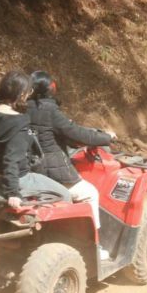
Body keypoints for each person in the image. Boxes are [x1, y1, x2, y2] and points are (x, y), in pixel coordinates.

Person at [0, 70, 72, 208]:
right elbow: (11, 160)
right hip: (16, 180)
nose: (29, 94)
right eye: (29, 91)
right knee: (65, 195)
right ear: (22, 94)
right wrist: (12, 192)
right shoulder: (19, 122)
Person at [26, 70, 115, 229]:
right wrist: (107, 137)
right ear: (50, 89)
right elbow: (77, 133)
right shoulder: (50, 111)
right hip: (50, 172)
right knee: (90, 194)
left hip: (29, 167)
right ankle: (94, 243)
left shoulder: (22, 107)